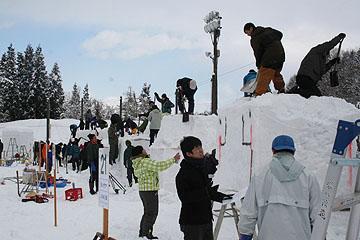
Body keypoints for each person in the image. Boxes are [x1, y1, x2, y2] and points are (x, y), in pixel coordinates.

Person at [238, 135, 321, 240]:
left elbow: (248, 213)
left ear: (273, 151)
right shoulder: (308, 176)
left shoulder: (260, 176)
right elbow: (318, 214)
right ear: (293, 151)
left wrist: (245, 236)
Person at [176, 136, 232, 240]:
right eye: (196, 148)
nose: (200, 150)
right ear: (188, 154)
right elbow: (185, 197)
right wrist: (205, 192)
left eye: (200, 146)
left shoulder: (202, 168)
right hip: (192, 223)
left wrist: (225, 197)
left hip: (206, 219)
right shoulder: (183, 174)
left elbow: (208, 191)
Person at [132, 145, 181, 239]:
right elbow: (159, 166)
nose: (146, 150)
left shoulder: (137, 163)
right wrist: (173, 159)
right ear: (141, 153)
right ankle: (146, 234)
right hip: (150, 191)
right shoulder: (145, 161)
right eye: (144, 149)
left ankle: (143, 233)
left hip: (143, 191)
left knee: (147, 212)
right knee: (152, 213)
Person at [293, 33, 346, 98]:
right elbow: (329, 44)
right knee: (317, 97)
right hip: (305, 78)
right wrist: (338, 38)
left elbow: (323, 70)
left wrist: (333, 62)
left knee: (308, 96)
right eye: (327, 53)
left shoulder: (321, 61)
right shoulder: (316, 51)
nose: (327, 56)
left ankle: (294, 92)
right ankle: (294, 92)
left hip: (309, 81)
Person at [243, 22, 286, 96]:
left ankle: (259, 94)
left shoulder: (255, 37)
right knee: (276, 73)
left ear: (251, 28)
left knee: (264, 75)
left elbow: (258, 52)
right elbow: (280, 34)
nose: (248, 35)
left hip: (269, 58)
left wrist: (259, 65)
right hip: (280, 55)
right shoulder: (267, 30)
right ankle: (281, 90)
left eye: (247, 32)